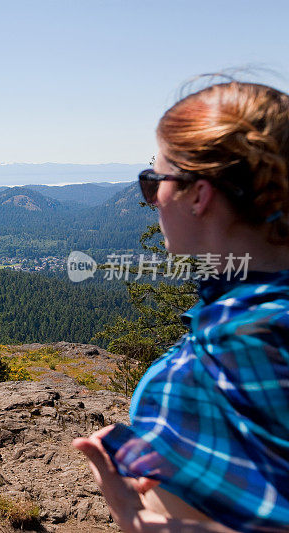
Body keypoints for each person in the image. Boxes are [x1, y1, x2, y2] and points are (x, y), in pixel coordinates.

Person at [73, 79, 289, 533]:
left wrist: (142, 522)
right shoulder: (246, 312)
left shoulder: (251, 335)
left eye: (153, 181)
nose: (150, 200)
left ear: (199, 195)